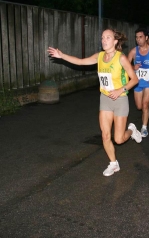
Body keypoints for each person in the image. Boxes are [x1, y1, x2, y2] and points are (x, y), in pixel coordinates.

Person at [47, 28, 141, 177]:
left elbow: (134, 79)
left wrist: (120, 89)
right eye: (102, 38)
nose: (104, 40)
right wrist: (61, 55)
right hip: (105, 99)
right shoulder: (99, 56)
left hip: (120, 99)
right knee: (105, 135)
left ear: (115, 41)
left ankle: (132, 130)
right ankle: (113, 163)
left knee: (119, 139)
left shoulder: (121, 58)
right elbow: (80, 61)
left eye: (108, 37)